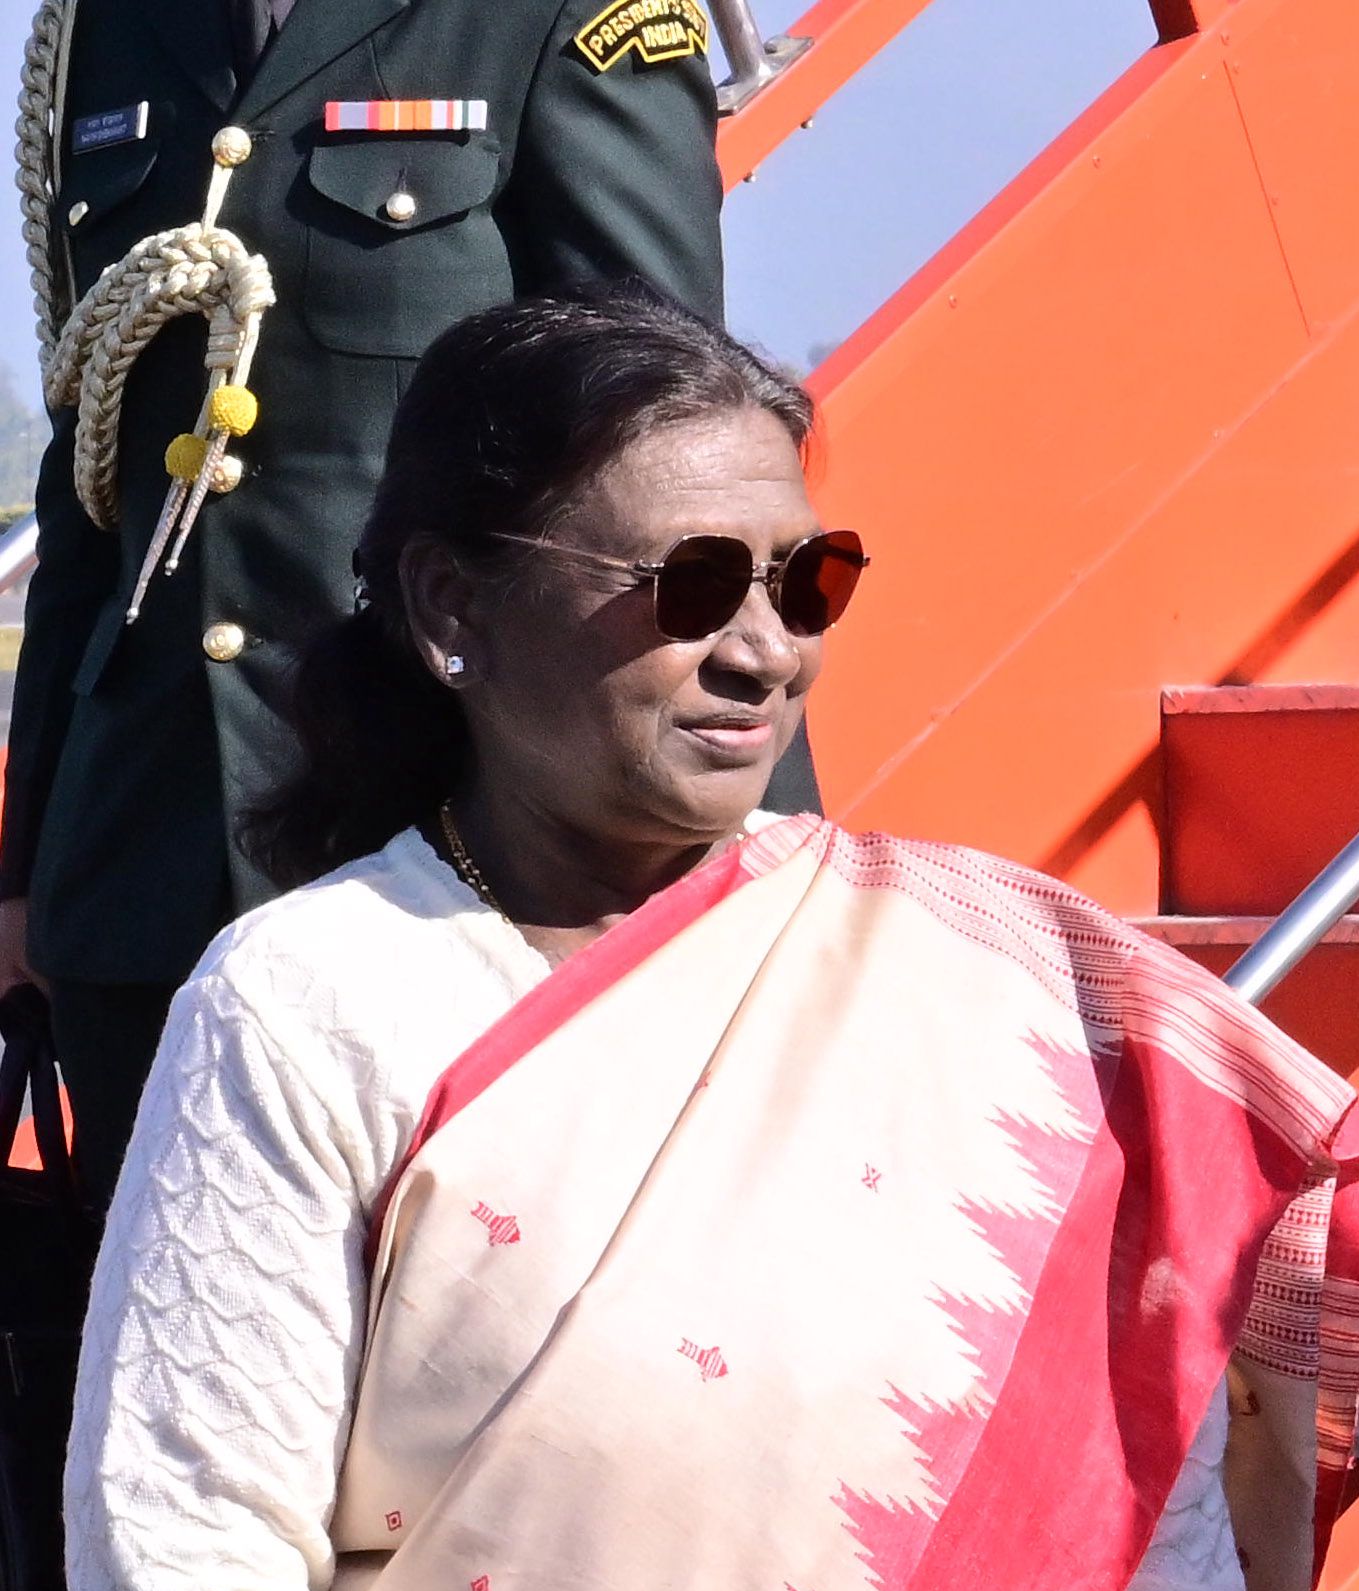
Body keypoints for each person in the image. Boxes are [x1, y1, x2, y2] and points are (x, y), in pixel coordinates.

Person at [63, 287, 1359, 1591]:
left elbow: (1152, 1537)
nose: (763, 645)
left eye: (807, 578)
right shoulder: (315, 1007)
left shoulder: (981, 994)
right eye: (690, 584)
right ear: (452, 607)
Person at [0, 0, 805, 1194]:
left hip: (447, 856)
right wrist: (25, 872)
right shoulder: (107, 26)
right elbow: (93, 483)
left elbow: (673, 439)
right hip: (146, 860)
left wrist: (727, 849)